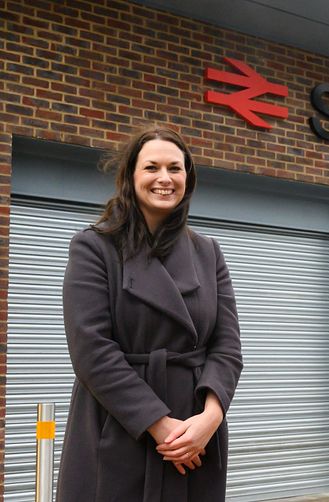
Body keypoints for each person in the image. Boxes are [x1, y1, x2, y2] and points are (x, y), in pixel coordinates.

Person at [56, 126, 244, 501]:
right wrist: (159, 426)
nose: (164, 178)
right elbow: (91, 350)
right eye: (151, 167)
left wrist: (210, 418)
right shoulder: (94, 247)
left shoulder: (209, 252)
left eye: (175, 168)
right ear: (130, 176)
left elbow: (227, 347)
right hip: (121, 424)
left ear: (187, 178)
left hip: (195, 433)